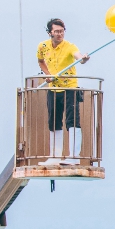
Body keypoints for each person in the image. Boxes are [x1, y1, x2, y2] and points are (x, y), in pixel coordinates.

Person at [36, 18, 89, 164]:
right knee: (54, 122)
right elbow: (40, 61)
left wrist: (83, 58)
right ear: (50, 33)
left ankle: (74, 157)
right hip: (53, 89)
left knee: (72, 121)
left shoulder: (69, 46)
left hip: (69, 88)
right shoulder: (43, 46)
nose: (60, 34)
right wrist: (48, 75)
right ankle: (55, 156)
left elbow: (78, 57)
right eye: (57, 31)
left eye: (62, 31)